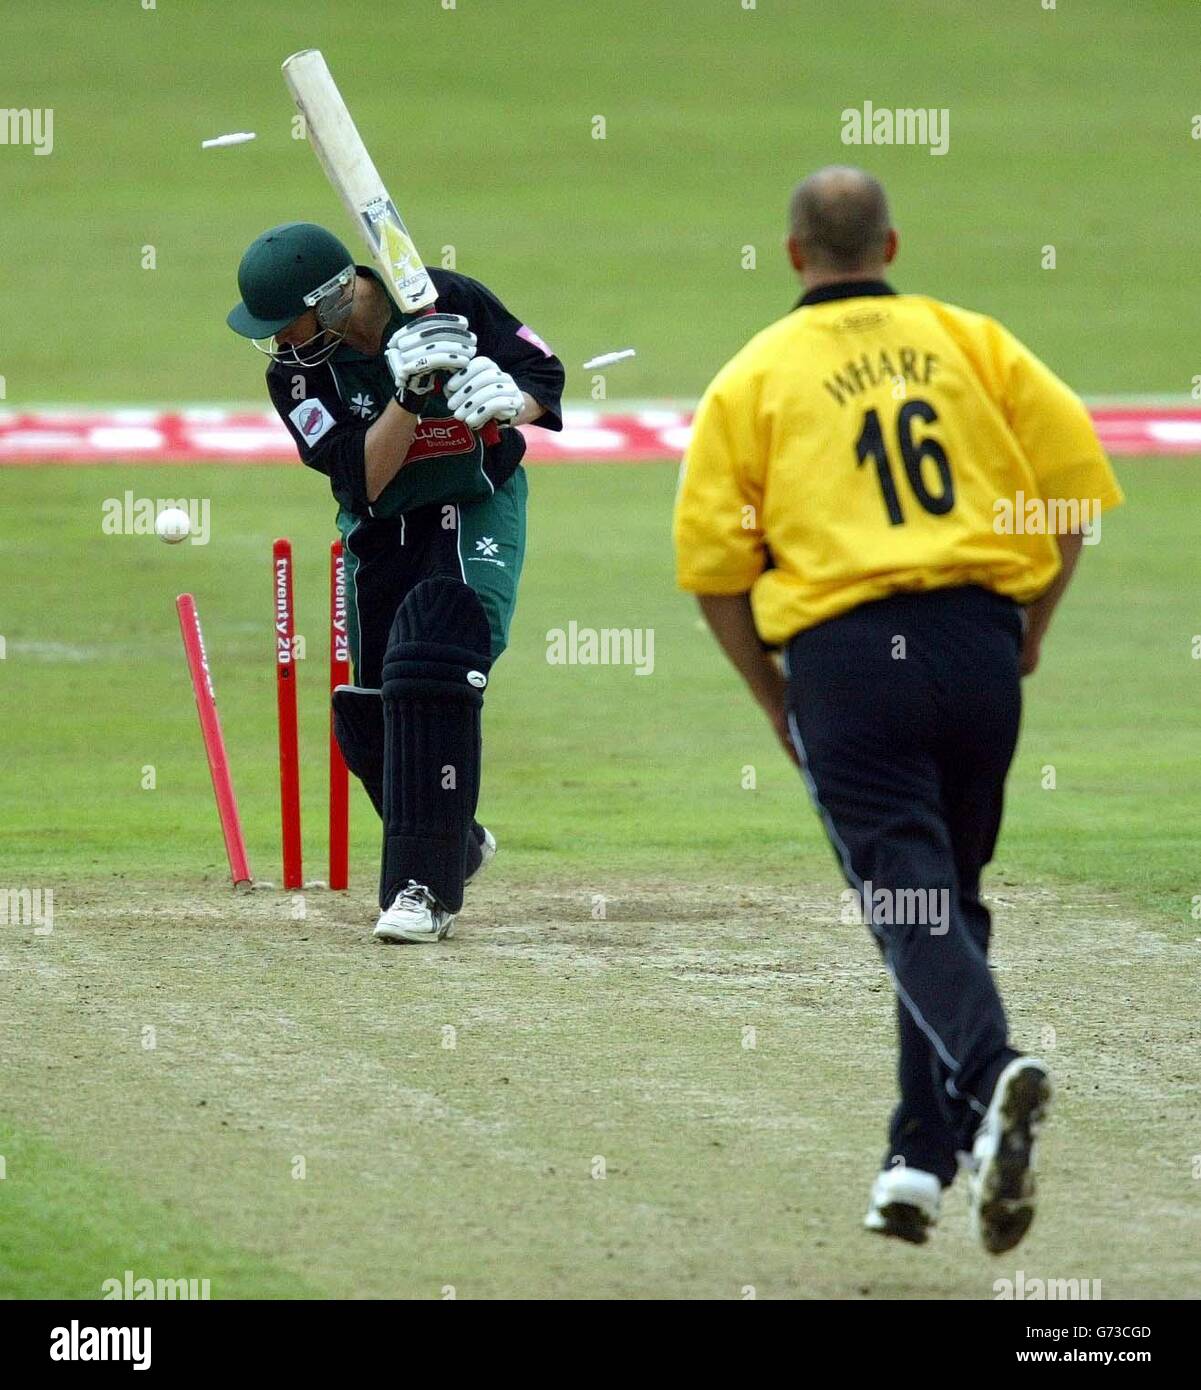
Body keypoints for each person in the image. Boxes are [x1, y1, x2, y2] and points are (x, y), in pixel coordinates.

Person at [672, 167, 1123, 1253]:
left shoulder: (754, 376)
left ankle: (990, 1069)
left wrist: (775, 698)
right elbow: (1072, 495)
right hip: (975, 642)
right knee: (946, 900)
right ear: (890, 244)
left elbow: (713, 571)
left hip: (847, 658)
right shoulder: (974, 341)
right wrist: (1033, 629)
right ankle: (919, 1160)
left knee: (908, 906)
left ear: (792, 256)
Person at [228, 222, 564, 943]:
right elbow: (364, 479)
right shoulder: (295, 372)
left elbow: (544, 375)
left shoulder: (446, 300)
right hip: (384, 526)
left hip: (473, 501)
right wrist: (409, 395)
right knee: (369, 716)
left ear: (335, 297)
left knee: (437, 664)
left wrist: (507, 401)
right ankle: (456, 843)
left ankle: (423, 889)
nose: (280, 342)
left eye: (285, 325)